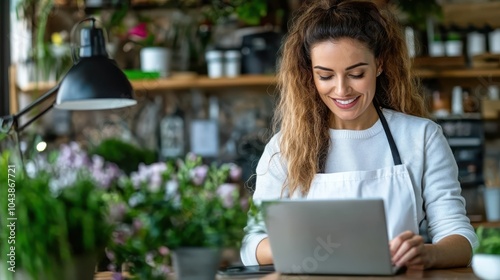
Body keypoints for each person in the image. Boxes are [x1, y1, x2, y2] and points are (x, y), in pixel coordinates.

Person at [240, 0, 478, 270]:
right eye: (326, 76)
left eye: (356, 73)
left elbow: (461, 238)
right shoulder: (284, 148)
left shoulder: (421, 137)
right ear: (310, 75)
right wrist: (305, 246)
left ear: (379, 64)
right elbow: (252, 245)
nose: (342, 90)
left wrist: (427, 254)